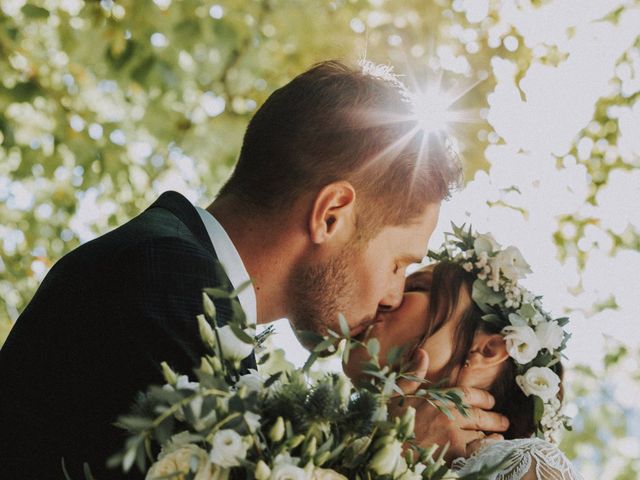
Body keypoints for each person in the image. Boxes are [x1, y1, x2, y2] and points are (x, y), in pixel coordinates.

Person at [0, 61, 506, 479]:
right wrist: (397, 450)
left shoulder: (179, 277)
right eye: (399, 263)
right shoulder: (165, 281)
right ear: (331, 215)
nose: (394, 295)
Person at [345, 227, 583, 479]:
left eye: (416, 287)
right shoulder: (330, 431)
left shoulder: (528, 466)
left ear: (488, 350)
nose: (387, 296)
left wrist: (400, 448)